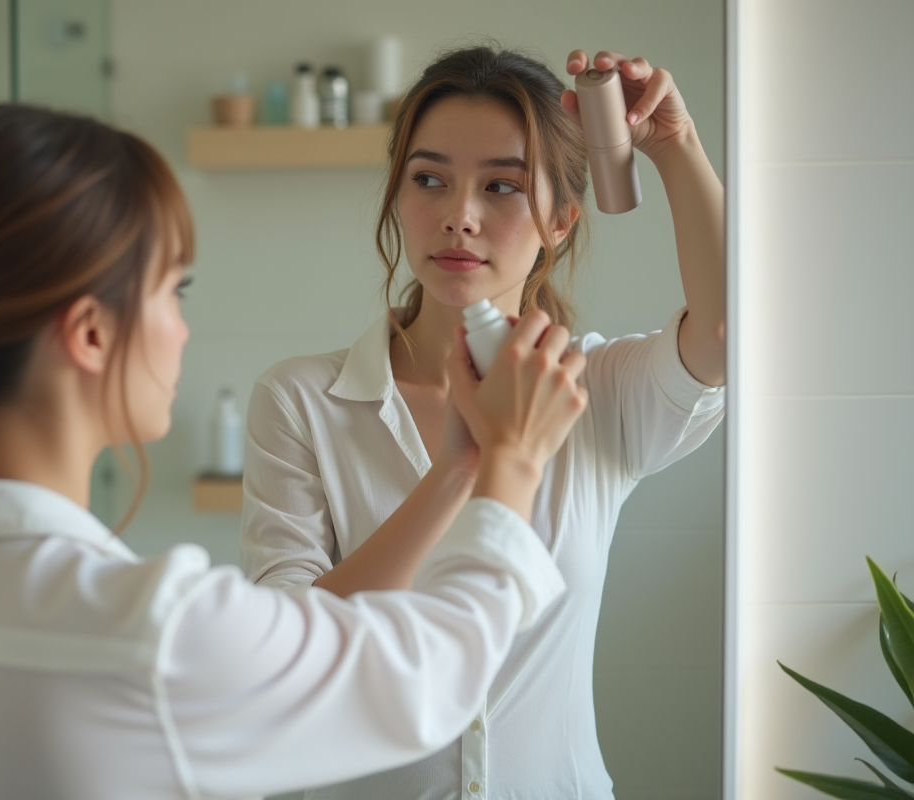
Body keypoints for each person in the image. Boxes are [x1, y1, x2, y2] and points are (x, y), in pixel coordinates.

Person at [0, 103, 592, 800]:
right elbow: (432, 679)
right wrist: (509, 461)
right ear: (92, 333)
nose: (181, 328)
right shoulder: (146, 633)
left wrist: (456, 466)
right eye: (173, 292)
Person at [240, 46, 726, 799]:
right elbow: (290, 649)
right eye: (428, 179)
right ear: (399, 199)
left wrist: (675, 146)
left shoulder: (594, 389)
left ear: (561, 220)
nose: (458, 217)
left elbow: (725, 335)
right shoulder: (301, 401)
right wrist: (461, 469)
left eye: (502, 186)